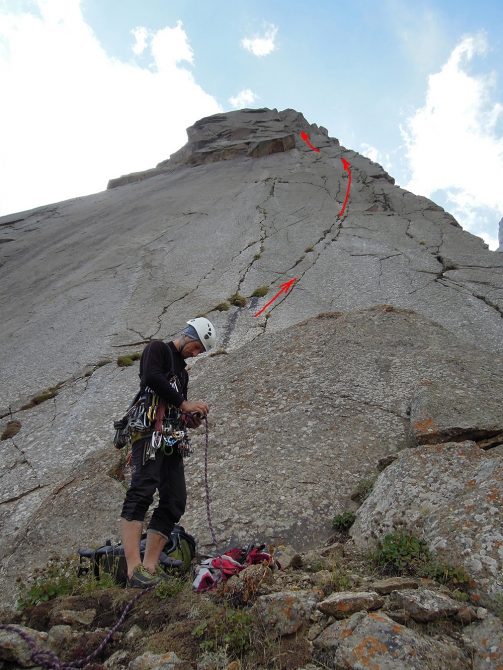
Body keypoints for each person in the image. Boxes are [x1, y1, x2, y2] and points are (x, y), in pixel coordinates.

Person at [120, 317, 216, 588]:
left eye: (199, 352)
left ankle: (149, 567)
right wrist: (185, 403)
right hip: (148, 432)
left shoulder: (182, 374)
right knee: (141, 490)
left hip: (170, 439)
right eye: (196, 347)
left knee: (175, 499)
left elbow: (175, 407)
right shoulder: (158, 350)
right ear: (188, 334)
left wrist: (189, 418)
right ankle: (132, 568)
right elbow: (151, 378)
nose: (195, 354)